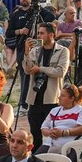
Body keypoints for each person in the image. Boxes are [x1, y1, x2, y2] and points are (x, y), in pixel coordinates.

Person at [23, 22, 69, 152]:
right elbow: (27, 70)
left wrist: (40, 69)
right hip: (34, 98)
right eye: (38, 33)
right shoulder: (35, 51)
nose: (39, 36)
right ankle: (36, 161)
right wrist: (26, 53)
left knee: (52, 135)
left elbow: (60, 72)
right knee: (35, 135)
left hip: (52, 100)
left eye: (42, 33)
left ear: (51, 35)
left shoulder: (62, 51)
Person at [39, 84, 82, 154]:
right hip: (51, 145)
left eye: (62, 96)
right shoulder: (54, 111)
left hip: (73, 146)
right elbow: (43, 128)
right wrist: (50, 132)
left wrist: (64, 133)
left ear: (72, 98)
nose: (59, 97)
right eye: (60, 95)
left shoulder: (81, 110)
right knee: (34, 161)